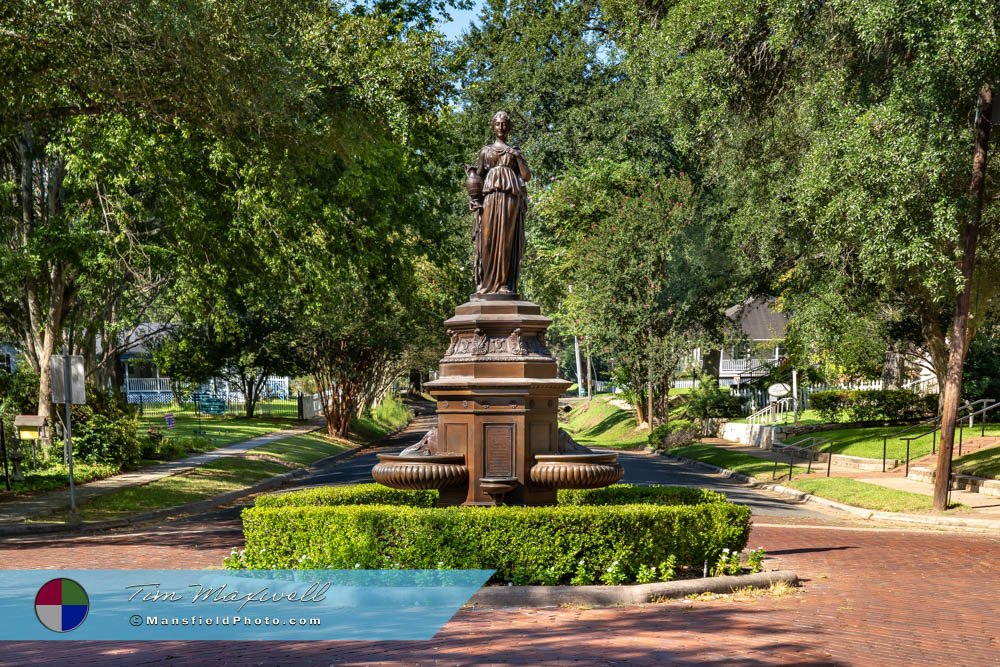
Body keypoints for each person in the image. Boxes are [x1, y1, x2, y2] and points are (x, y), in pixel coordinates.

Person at [467, 111, 531, 294]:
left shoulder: (515, 152)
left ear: (509, 127)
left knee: (505, 240)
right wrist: (474, 197)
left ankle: (503, 283)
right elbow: (477, 177)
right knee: (486, 238)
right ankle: (487, 282)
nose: (501, 127)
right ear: (493, 127)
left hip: (510, 198)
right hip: (490, 199)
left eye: (504, 124)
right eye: (497, 123)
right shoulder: (485, 151)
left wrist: (517, 157)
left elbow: (526, 176)